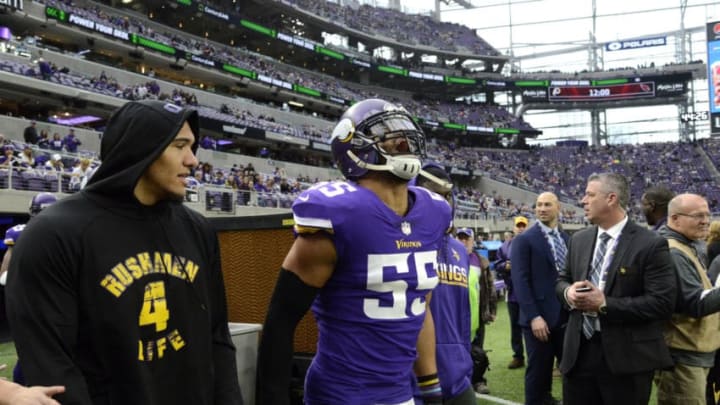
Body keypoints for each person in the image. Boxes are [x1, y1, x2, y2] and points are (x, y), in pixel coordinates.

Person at [6, 100, 243, 405]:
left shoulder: (197, 229)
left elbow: (218, 339)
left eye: (192, 147)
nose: (192, 161)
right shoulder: (54, 234)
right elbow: (54, 367)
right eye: (179, 145)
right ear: (141, 148)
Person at [256, 98, 452, 405]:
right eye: (388, 134)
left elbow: (419, 306)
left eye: (406, 132)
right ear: (354, 148)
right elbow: (281, 318)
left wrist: (430, 385)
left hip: (400, 394)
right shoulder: (341, 213)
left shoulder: (433, 212)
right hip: (341, 395)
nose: (404, 140)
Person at [556, 172, 676, 405]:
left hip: (626, 360)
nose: (583, 200)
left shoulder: (650, 244)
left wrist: (604, 304)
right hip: (578, 354)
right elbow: (562, 279)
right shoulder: (578, 239)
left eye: (590, 195)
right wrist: (567, 293)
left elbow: (662, 303)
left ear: (611, 199)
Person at [413, 164, 476, 404]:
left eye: (448, 195)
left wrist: (465, 360)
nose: (444, 202)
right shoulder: (402, 243)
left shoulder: (460, 249)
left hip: (458, 377)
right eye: (435, 194)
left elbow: (462, 313)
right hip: (415, 381)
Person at [655, 194, 720, 404]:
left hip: (693, 351)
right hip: (683, 355)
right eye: (698, 216)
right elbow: (695, 304)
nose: (705, 221)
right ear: (674, 219)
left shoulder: (687, 245)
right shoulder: (673, 251)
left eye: (707, 215)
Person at [511, 193, 567, 405]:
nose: (542, 209)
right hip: (539, 321)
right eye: (539, 205)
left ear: (558, 207)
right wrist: (534, 316)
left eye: (547, 205)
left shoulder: (566, 239)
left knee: (571, 372)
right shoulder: (524, 239)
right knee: (538, 376)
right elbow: (520, 281)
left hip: (566, 318)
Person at [1, 192, 58, 384]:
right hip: (36, 301)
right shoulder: (66, 230)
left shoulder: (65, 232)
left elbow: (4, 276)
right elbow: (4, 276)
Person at [457, 227, 493, 395]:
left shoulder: (480, 261)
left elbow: (489, 287)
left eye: (467, 239)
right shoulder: (449, 258)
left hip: (476, 314)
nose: (463, 242)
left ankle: (478, 380)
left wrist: (490, 309)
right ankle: (459, 381)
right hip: (456, 315)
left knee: (477, 350)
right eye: (460, 238)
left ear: (473, 241)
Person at [494, 215, 529, 370]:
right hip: (513, 292)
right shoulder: (505, 246)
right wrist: (505, 266)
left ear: (526, 227)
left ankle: (534, 357)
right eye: (518, 226)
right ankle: (518, 356)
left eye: (523, 226)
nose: (520, 228)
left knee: (531, 325)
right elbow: (497, 264)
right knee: (515, 326)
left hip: (529, 292)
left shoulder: (532, 243)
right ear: (514, 228)